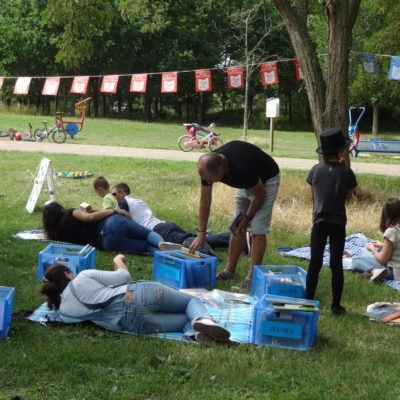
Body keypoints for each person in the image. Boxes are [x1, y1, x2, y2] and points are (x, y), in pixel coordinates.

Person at [40, 254, 231, 345]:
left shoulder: (64, 313)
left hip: (132, 323)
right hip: (141, 294)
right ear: (67, 273)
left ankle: (195, 334)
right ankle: (203, 320)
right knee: (191, 302)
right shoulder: (82, 277)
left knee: (183, 320)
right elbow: (123, 277)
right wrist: (118, 261)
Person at [189, 140, 280, 292]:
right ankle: (229, 271)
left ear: (220, 170)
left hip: (266, 181)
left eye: (210, 180)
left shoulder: (241, 167)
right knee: (236, 227)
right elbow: (205, 201)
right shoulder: (208, 167)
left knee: (257, 230)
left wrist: (248, 217)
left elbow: (260, 195)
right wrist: (202, 233)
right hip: (246, 183)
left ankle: (252, 279)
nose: (208, 182)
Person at [305, 128, 357, 316]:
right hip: (337, 223)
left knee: (315, 263)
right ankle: (336, 305)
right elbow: (349, 198)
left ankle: (308, 301)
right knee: (336, 264)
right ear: (340, 151)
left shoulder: (315, 170)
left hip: (318, 222)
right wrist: (343, 170)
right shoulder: (346, 172)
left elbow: (314, 196)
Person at [112, 183, 231, 254]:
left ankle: (228, 240)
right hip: (165, 225)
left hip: (158, 230)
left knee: (191, 245)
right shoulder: (138, 201)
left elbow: (118, 221)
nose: (113, 197)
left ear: (122, 193)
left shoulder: (125, 202)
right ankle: (230, 239)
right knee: (198, 240)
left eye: (114, 194)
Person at [42, 202, 182, 254]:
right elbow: (89, 218)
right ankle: (160, 243)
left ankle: (166, 254)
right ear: (60, 210)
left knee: (144, 247)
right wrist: (115, 211)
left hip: (105, 244)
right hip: (110, 224)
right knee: (146, 234)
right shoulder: (70, 213)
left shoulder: (57, 236)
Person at [352, 198, 400, 282]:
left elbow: (383, 260)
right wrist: (383, 245)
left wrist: (372, 249)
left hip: (395, 272)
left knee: (356, 260)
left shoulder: (392, 231)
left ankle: (375, 271)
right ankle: (372, 274)